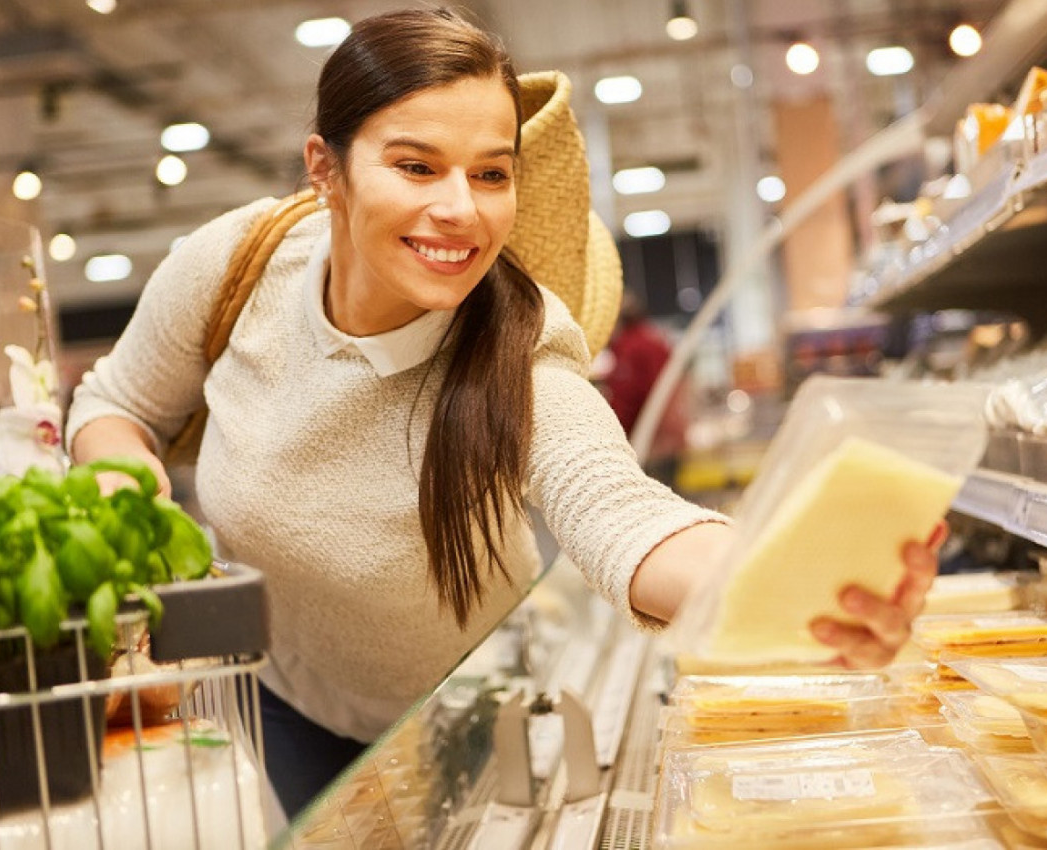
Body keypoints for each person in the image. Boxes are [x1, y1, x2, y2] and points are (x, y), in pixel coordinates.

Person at [65, 8, 942, 819]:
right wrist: (124, 484)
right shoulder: (235, 266)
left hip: (470, 711)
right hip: (284, 703)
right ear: (325, 168)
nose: (461, 209)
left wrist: (773, 578)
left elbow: (616, 511)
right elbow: (116, 403)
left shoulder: (517, 344)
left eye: (491, 174)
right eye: (416, 166)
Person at [603, 291, 688, 486]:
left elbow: (627, 398)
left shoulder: (632, 348)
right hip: (669, 443)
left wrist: (613, 438)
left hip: (651, 445)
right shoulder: (655, 340)